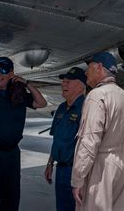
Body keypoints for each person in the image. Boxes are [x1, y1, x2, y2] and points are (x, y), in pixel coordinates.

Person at [0, 57, 47, 211]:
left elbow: (41, 103)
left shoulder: (17, 92)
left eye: (3, 71)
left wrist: (26, 83)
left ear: (11, 74)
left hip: (12, 154)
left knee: (12, 197)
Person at [71, 52, 124, 210]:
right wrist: (120, 161)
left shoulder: (96, 96)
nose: (86, 72)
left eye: (89, 67)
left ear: (99, 67)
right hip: (120, 164)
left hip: (100, 167)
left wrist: (78, 179)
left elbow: (89, 141)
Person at [44, 67, 87, 211]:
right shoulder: (61, 108)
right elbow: (56, 138)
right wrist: (50, 163)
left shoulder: (87, 109)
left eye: (69, 81)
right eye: (63, 81)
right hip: (61, 170)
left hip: (76, 172)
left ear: (81, 86)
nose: (64, 84)